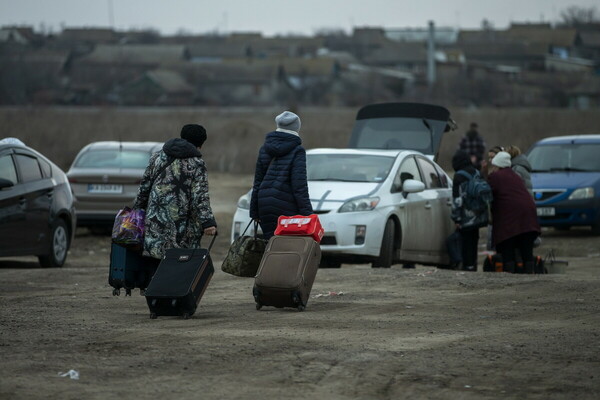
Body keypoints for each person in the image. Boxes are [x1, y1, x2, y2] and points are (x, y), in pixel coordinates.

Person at [133, 124, 217, 263]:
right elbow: (200, 196)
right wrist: (207, 222)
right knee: (178, 262)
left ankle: (156, 284)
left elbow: (144, 188)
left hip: (154, 219)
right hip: (182, 225)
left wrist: (137, 211)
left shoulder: (157, 157)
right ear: (200, 144)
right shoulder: (197, 163)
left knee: (156, 258)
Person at [250, 111, 313, 239]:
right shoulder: (297, 151)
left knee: (271, 244)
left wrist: (254, 212)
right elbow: (299, 186)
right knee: (288, 248)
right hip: (286, 205)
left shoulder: (264, 148)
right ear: (296, 128)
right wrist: (308, 215)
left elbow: (257, 182)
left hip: (264, 204)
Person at [487, 151, 541, 273]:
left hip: (510, 220)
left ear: (498, 166)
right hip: (529, 217)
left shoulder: (496, 177)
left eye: (494, 166)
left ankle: (510, 278)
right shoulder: (515, 176)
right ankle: (530, 277)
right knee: (527, 252)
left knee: (508, 250)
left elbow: (486, 193)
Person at [451, 150, 486, 272]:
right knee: (473, 242)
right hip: (477, 215)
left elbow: (457, 199)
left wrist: (457, 218)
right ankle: (473, 265)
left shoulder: (459, 176)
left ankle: (467, 266)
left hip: (466, 216)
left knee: (465, 243)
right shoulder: (476, 172)